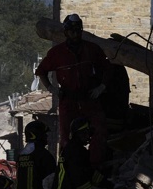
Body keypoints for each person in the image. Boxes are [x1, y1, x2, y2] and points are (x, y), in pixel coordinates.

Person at [36, 13, 112, 166]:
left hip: (89, 98)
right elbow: (41, 71)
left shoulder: (92, 49)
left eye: (78, 31)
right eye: (72, 31)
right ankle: (68, 166)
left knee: (99, 131)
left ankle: (95, 165)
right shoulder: (57, 53)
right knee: (65, 136)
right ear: (66, 32)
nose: (75, 34)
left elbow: (107, 69)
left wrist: (102, 87)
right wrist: (51, 88)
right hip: (68, 100)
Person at [17, 119, 57, 189]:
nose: (47, 137)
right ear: (38, 135)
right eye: (44, 134)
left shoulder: (21, 156)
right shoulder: (44, 155)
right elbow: (51, 181)